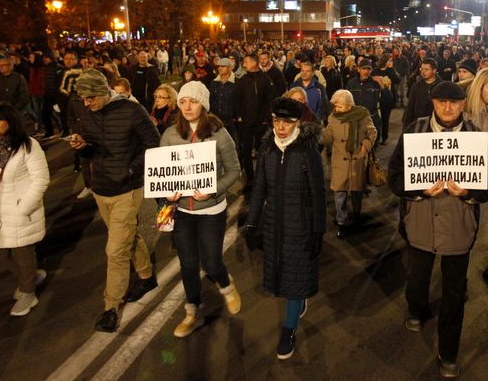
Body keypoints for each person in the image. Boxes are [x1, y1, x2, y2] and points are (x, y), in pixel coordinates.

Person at [387, 81, 488, 379]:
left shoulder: (475, 136)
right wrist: (420, 191)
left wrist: (469, 193)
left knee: (454, 293)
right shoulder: (414, 131)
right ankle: (415, 307)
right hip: (421, 223)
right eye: (440, 102)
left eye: (454, 102)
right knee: (417, 278)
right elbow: (394, 178)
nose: (447, 108)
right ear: (433, 103)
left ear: (464, 103)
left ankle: (448, 352)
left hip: (459, 227)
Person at [69, 69, 161, 332]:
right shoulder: (88, 113)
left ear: (102, 92)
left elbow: (153, 143)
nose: (86, 104)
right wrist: (81, 146)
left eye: (89, 98)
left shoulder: (132, 111)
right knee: (127, 237)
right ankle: (146, 276)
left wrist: (131, 170)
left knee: (116, 250)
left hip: (126, 190)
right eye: (83, 100)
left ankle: (111, 307)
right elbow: (91, 148)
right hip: (101, 188)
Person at [245, 97, 326, 360]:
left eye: (287, 122)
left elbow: (318, 193)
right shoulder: (268, 148)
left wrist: (317, 230)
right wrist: (252, 222)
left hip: (300, 225)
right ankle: (299, 301)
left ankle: (288, 330)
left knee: (295, 278)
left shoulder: (307, 150)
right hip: (274, 224)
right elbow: (259, 188)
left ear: (297, 123)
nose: (281, 127)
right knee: (281, 273)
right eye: (277, 121)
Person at [160, 81, 242, 338]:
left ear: (203, 105)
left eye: (193, 101)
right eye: (183, 101)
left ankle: (226, 285)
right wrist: (167, 191)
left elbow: (234, 170)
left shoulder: (219, 133)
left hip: (211, 210)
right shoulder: (170, 134)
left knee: (212, 261)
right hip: (183, 211)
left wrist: (213, 190)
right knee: (188, 263)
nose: (187, 106)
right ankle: (191, 310)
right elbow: (163, 172)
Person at [0, 102, 50, 316]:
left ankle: (28, 291)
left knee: (22, 252)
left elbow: (41, 179)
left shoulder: (28, 145)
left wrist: (24, 206)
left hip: (20, 209)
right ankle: (31, 276)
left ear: (10, 121)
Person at [321, 90, 377, 238]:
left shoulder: (362, 115)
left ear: (348, 106)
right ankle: (341, 221)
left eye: (339, 106)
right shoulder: (333, 117)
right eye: (335, 106)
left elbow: (372, 132)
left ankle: (357, 215)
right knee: (340, 194)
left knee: (357, 192)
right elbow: (328, 137)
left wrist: (365, 146)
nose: (336, 109)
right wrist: (318, 133)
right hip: (340, 161)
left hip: (357, 159)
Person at [234, 53, 276, 191]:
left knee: (262, 152)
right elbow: (237, 100)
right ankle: (250, 180)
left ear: (254, 62)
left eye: (246, 62)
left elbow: (270, 101)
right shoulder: (242, 80)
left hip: (261, 124)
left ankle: (262, 179)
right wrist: (239, 116)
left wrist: (266, 120)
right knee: (245, 152)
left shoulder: (265, 79)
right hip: (245, 124)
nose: (244, 65)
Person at [346, 59, 382, 141]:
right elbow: (347, 100)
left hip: (372, 119)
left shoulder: (375, 83)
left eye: (368, 69)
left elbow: (386, 101)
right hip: (356, 120)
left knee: (371, 146)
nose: (366, 71)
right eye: (364, 69)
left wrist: (383, 87)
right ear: (358, 69)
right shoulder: (351, 83)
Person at [403, 58, 442, 128]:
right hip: (419, 125)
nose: (423, 72)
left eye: (426, 69)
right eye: (421, 69)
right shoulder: (416, 86)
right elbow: (410, 109)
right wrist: (405, 129)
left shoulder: (441, 86)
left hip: (437, 126)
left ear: (434, 70)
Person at [208, 58, 238, 143]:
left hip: (231, 120)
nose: (220, 68)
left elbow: (238, 101)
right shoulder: (214, 83)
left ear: (229, 68)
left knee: (232, 142)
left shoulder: (236, 82)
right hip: (216, 118)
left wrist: (236, 116)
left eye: (223, 66)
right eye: (219, 66)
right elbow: (210, 99)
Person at [372, 54, 400, 144]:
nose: (391, 62)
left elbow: (397, 80)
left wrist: (391, 69)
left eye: (391, 61)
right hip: (376, 98)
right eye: (389, 61)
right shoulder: (375, 71)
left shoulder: (391, 70)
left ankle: (384, 137)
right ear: (385, 61)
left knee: (385, 119)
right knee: (376, 119)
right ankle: (376, 137)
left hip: (387, 98)